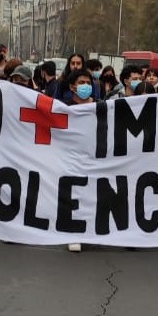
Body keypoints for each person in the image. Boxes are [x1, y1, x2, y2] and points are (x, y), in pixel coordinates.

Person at [64, 69, 96, 252]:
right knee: (73, 194)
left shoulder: (101, 106)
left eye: (88, 83)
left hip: (93, 156)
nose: (85, 86)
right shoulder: (64, 108)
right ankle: (74, 234)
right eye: (81, 82)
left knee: (90, 194)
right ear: (72, 87)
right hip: (72, 157)